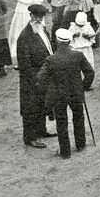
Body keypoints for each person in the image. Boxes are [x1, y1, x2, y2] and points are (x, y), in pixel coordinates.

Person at [36, 27, 94, 159]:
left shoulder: (51, 60)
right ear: (69, 42)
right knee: (78, 117)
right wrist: (83, 87)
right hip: (76, 93)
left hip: (59, 96)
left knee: (61, 122)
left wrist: (49, 88)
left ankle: (65, 152)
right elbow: (90, 72)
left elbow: (40, 78)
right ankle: (80, 145)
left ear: (57, 41)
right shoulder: (78, 55)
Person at [15, 4, 53, 149]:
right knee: (31, 107)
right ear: (30, 16)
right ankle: (30, 137)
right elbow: (24, 64)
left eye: (41, 17)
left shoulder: (44, 31)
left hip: (44, 75)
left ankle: (41, 131)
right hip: (31, 79)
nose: (38, 19)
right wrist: (36, 80)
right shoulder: (24, 37)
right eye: (35, 16)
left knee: (42, 104)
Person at [7, 0, 43, 67]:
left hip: (23, 11)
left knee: (20, 34)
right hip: (36, 11)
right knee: (36, 33)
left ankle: (21, 60)